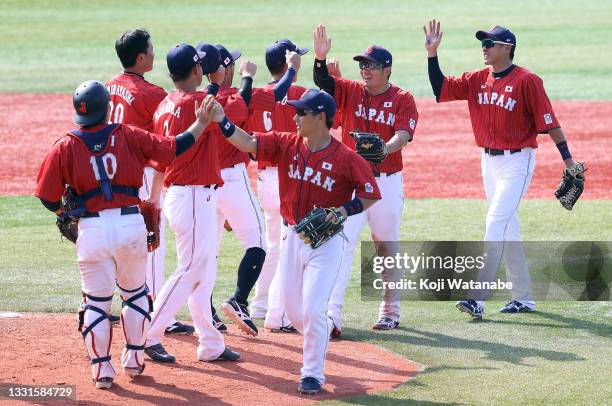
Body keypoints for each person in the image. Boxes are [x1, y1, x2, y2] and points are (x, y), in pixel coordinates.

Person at [35, 79, 214, 389]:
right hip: (130, 225)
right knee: (134, 295)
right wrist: (200, 123)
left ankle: (102, 371)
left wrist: (65, 214)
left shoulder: (64, 144)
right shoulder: (128, 134)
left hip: (91, 230)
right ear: (107, 109)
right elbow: (173, 147)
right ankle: (133, 359)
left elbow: (48, 197)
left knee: (96, 303)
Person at [204, 89, 381, 394]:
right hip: (291, 237)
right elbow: (248, 143)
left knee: (313, 309)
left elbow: (369, 194)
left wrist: (343, 210)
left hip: (325, 244)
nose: (296, 117)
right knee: (294, 310)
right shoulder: (286, 143)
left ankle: (312, 372)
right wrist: (222, 121)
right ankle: (320, 334)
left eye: (302, 113)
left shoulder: (345, 158)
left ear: (321, 117)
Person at [423, 20, 583, 319]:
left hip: (517, 162)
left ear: (506, 48)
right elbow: (440, 89)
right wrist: (432, 54)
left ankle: (477, 298)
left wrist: (568, 159)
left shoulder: (527, 81)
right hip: (488, 162)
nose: (483, 48)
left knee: (495, 222)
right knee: (509, 229)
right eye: (482, 43)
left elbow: (550, 123)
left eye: (489, 43)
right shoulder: (476, 79)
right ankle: (523, 298)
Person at [312, 25, 419, 334]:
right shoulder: (351, 90)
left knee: (385, 246)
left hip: (386, 182)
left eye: (371, 65)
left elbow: (404, 134)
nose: (365, 69)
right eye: (362, 64)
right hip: (353, 184)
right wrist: (319, 59)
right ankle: (332, 315)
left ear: (387, 69)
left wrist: (385, 148)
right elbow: (324, 83)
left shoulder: (402, 98)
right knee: (340, 245)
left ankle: (390, 311)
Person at [143, 43, 241, 363]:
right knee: (190, 269)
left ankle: (210, 343)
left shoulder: (165, 104)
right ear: (196, 70)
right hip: (195, 195)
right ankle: (149, 334)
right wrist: (221, 78)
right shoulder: (201, 103)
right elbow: (220, 109)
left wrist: (155, 198)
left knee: (204, 271)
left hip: (181, 195)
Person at [204, 44, 302, 336]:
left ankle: (206, 311)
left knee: (208, 252)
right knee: (259, 243)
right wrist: (293, 68)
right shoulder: (235, 98)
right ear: (226, 68)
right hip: (233, 179)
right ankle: (239, 300)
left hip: (204, 183)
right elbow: (278, 92)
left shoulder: (198, 101)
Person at [105, 28, 193, 335]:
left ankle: (107, 303)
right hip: (139, 174)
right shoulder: (150, 93)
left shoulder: (109, 86)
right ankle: (156, 313)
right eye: (151, 50)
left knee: (114, 237)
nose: (155, 54)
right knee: (152, 241)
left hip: (109, 171)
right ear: (141, 57)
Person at [248, 39, 309, 333]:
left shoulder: (257, 96)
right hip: (288, 179)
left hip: (263, 179)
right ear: (289, 65)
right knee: (289, 248)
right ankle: (278, 313)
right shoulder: (300, 94)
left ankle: (260, 303)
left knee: (273, 244)